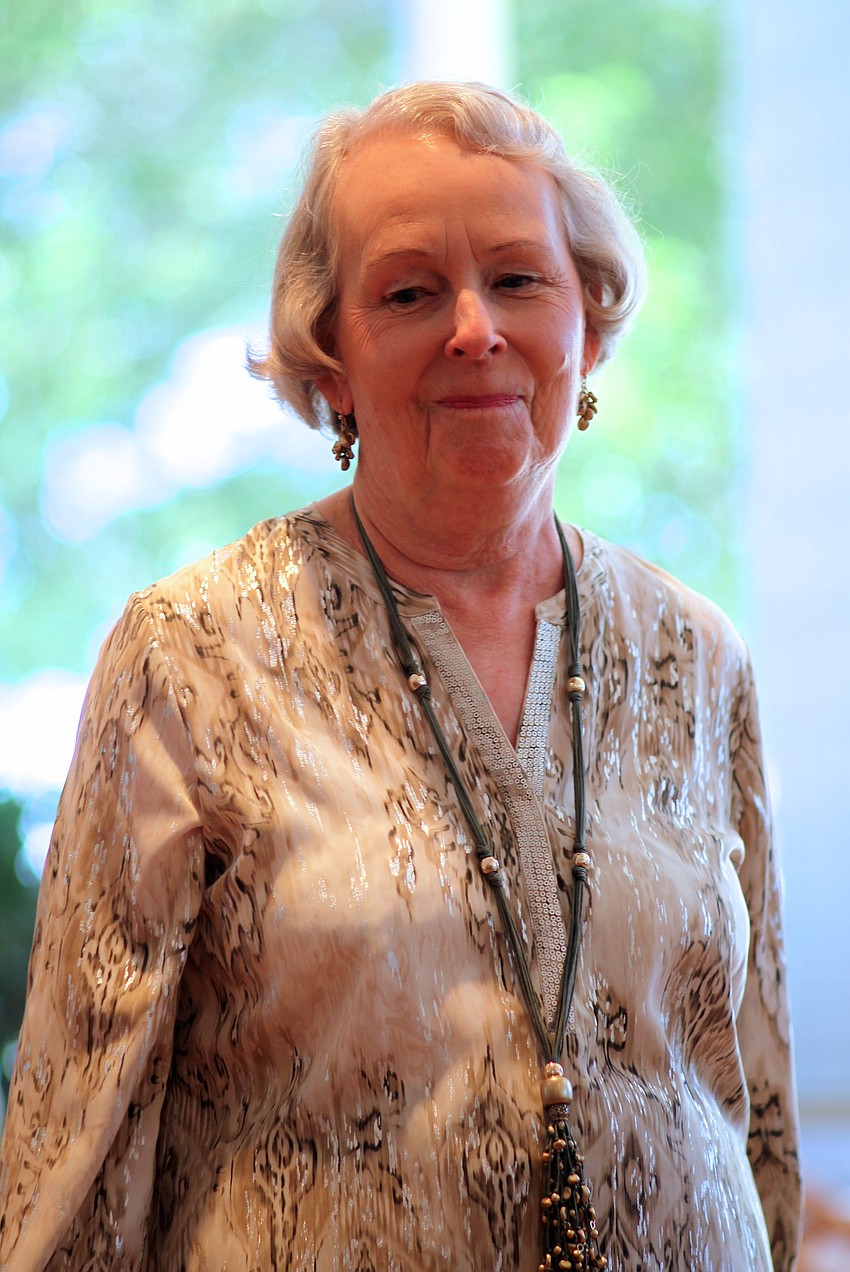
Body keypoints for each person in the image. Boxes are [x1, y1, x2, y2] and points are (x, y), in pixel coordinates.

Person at [0, 81, 801, 1271]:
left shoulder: (695, 651)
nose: (475, 328)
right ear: (330, 358)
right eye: (412, 291)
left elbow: (755, 1088)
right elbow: (80, 1131)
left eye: (520, 279)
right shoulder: (189, 651)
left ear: (587, 317)